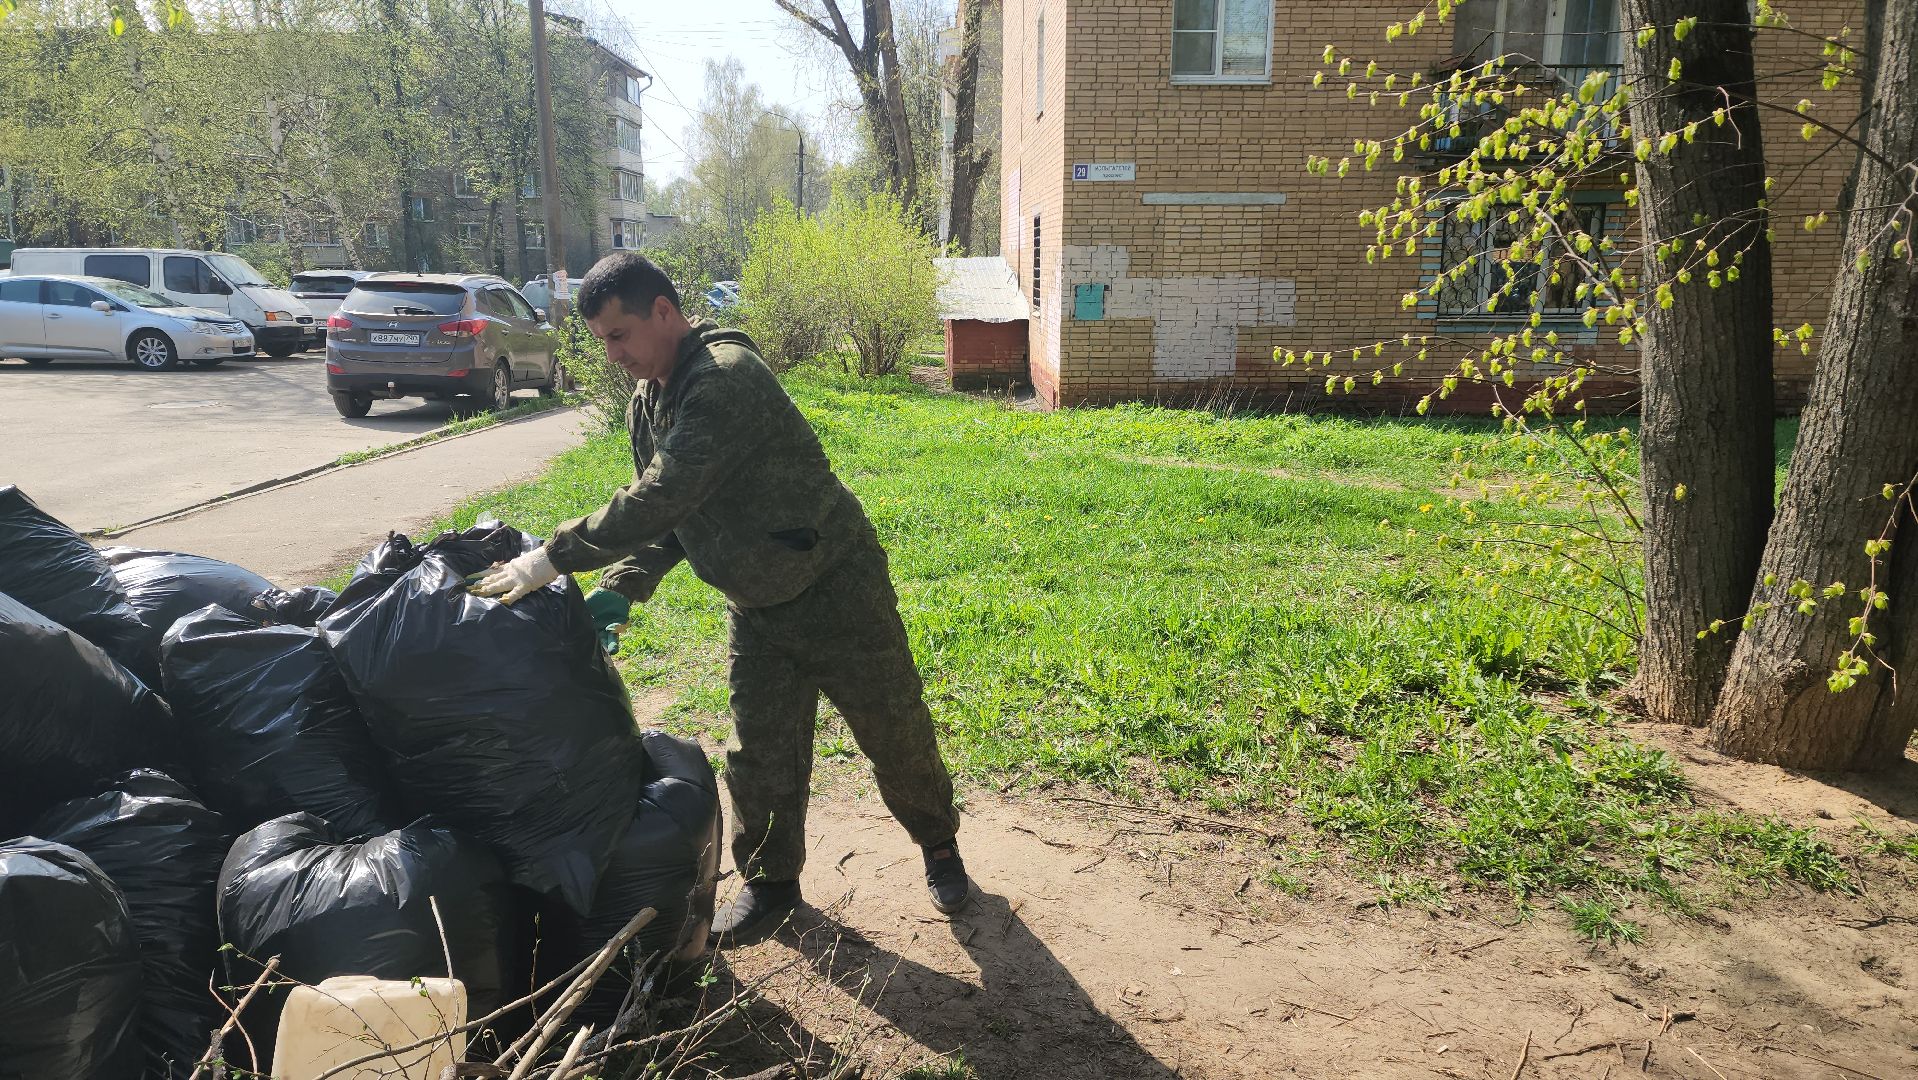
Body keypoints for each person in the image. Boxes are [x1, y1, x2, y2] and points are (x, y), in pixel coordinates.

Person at [471, 252, 971, 945]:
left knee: (894, 731)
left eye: (620, 336)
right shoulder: (650, 401)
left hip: (835, 588)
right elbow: (677, 517)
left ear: (665, 314)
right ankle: (771, 884)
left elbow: (662, 494)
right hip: (756, 603)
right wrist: (623, 587)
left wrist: (552, 559)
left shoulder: (727, 381)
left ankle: (939, 846)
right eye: (601, 343)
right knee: (758, 751)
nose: (613, 356)